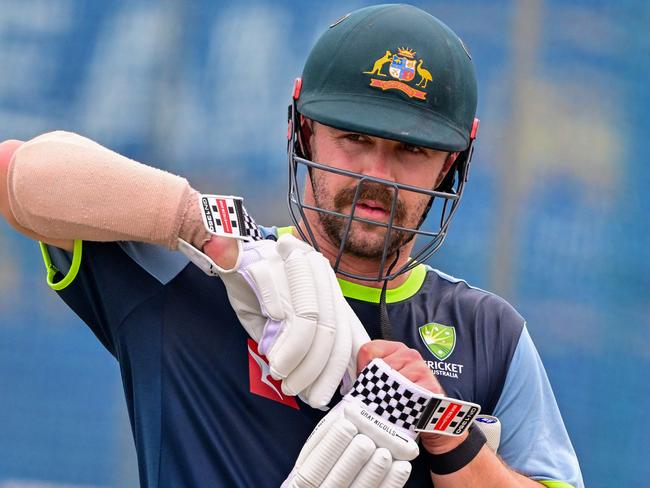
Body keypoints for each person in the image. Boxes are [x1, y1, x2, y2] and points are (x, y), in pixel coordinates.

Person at [0, 4, 583, 488]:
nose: (379, 174)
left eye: (412, 151)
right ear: (303, 128)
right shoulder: (193, 275)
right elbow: (17, 174)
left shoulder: (491, 335)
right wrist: (210, 230)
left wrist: (446, 433)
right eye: (353, 138)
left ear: (451, 164)